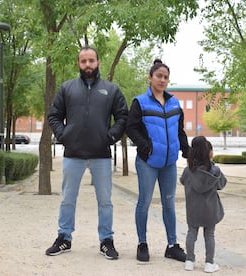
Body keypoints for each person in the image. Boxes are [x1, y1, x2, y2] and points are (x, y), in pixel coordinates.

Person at [46, 46, 128, 260]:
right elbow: (54, 115)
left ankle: (106, 241)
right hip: (73, 154)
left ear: (98, 62)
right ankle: (64, 237)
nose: (88, 65)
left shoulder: (111, 90)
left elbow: (122, 117)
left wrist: (109, 137)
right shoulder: (67, 88)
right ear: (78, 64)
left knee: (105, 201)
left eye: (91, 60)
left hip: (101, 154)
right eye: (83, 61)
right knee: (67, 199)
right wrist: (64, 136)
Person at [126, 59, 190, 262]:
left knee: (169, 204)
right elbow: (131, 128)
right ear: (150, 78)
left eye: (165, 77)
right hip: (148, 162)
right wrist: (144, 145)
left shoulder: (174, 103)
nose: (162, 80)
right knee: (144, 203)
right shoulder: (140, 102)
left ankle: (172, 245)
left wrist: (187, 150)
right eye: (159, 76)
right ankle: (142, 243)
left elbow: (179, 130)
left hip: (169, 163)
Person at [180, 136, 227, 273]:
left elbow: (183, 181)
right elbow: (222, 184)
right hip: (210, 209)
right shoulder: (215, 171)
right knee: (209, 235)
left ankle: (189, 260)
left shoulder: (188, 171)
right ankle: (209, 263)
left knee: (191, 233)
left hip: (193, 208)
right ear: (208, 152)